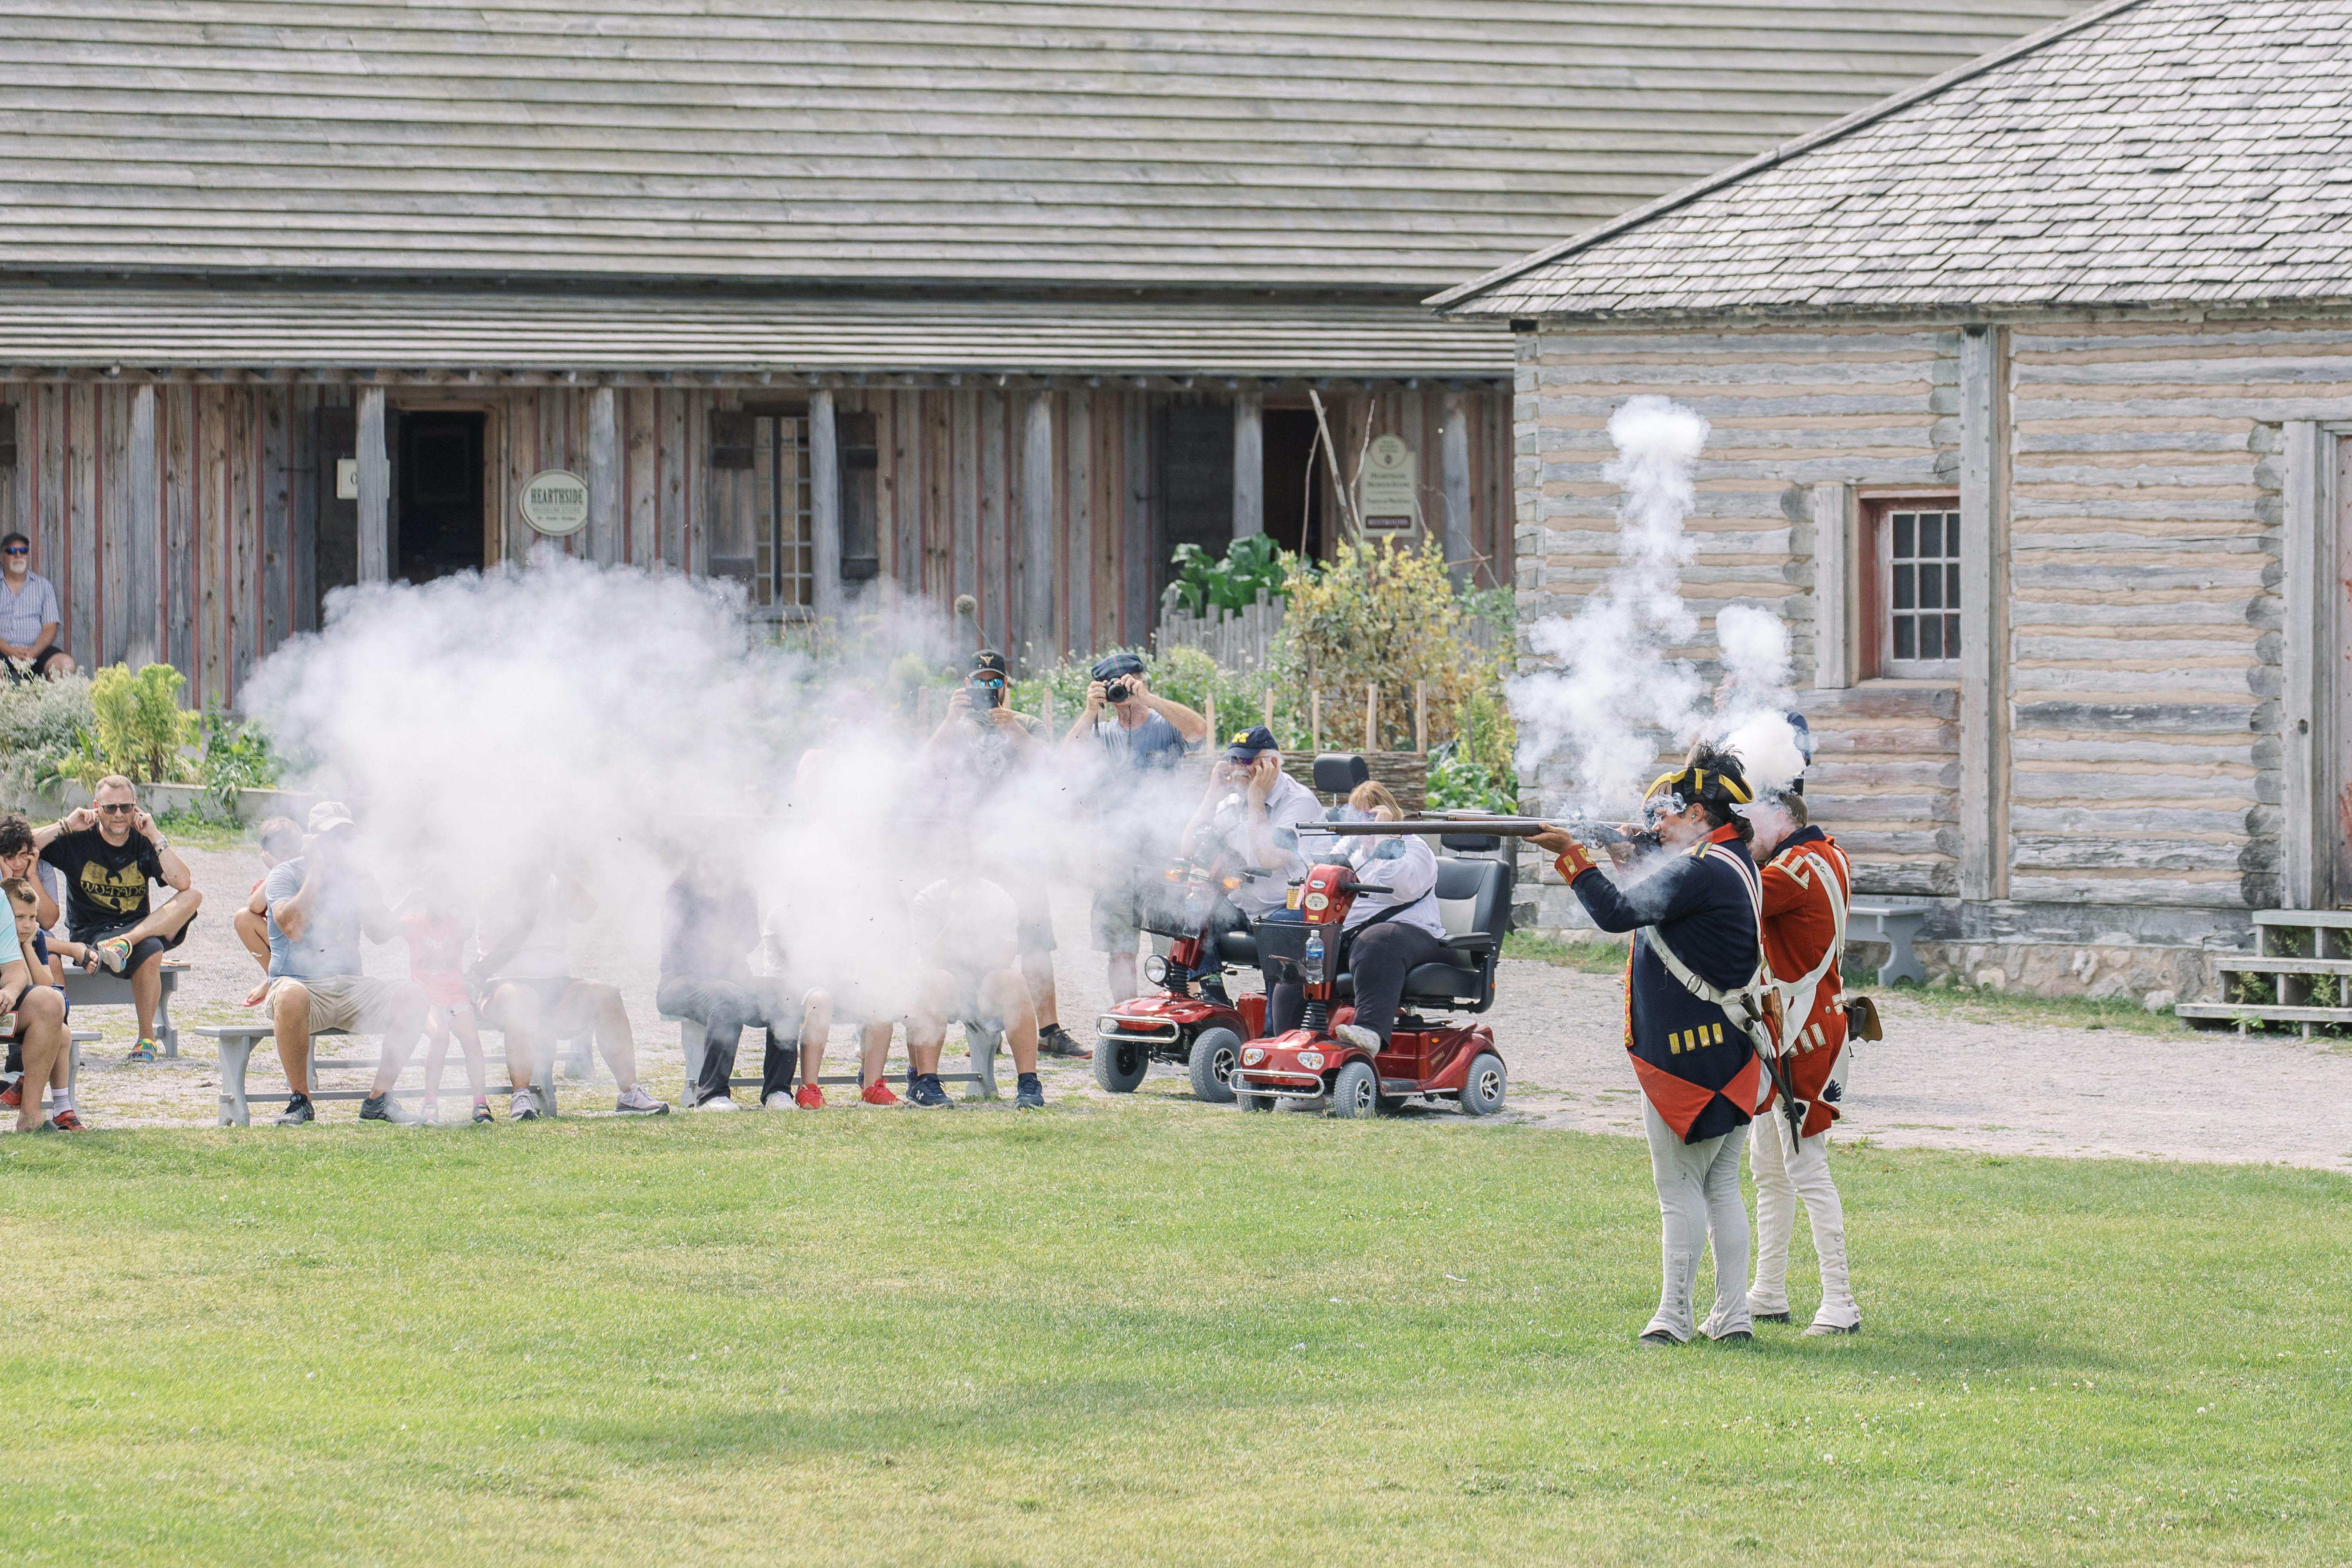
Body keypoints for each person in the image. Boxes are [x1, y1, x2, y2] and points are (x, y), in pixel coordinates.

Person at [1531, 744, 1772, 1349]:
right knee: (1719, 1186)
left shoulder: (1701, 868)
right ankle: (1733, 1315)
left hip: (1686, 1058)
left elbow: (1618, 912)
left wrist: (1570, 856)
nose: (1656, 824)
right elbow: (1660, 889)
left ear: (1696, 813)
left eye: (1666, 814)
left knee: (1679, 1189)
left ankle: (1673, 1316)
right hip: (1732, 1050)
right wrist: (1618, 847)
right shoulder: (1730, 860)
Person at [929, 650, 1086, 1060]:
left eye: (993, 680)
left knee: (1035, 939)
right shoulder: (957, 727)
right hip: (973, 849)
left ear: (1004, 685)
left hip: (1020, 846)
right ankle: (985, 1030)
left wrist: (1013, 729)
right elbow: (929, 766)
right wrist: (948, 720)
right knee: (977, 936)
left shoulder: (1027, 724)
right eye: (979, 681)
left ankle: (1048, 1029)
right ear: (967, 686)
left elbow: (1049, 770)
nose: (986, 688)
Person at [1746, 790, 1862, 1336]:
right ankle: (1768, 1290)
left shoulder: (1790, 871)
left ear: (1780, 819)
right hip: (1802, 1023)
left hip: (1802, 1032)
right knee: (1769, 1167)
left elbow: (1733, 897)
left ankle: (1839, 1303)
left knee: (1804, 1167)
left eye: (1751, 821)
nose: (1745, 832)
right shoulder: (1827, 853)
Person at [248, 801, 430, 1126]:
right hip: (298, 984)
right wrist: (316, 871)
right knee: (291, 995)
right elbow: (293, 927)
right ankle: (300, 1100)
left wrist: (375, 892)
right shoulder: (284, 874)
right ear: (311, 840)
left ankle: (379, 1100)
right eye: (332, 836)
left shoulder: (358, 876)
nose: (340, 845)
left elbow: (379, 932)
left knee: (414, 996)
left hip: (349, 985)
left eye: (346, 837)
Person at [1064, 650, 1208, 1003]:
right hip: (1115, 852)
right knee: (1119, 949)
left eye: (1128, 683)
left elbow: (1198, 731)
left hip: (1164, 847)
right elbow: (1066, 761)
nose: (1122, 693)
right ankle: (1126, 1016)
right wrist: (1088, 712)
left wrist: (1150, 699)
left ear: (1140, 680)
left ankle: (1178, 1014)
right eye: (1114, 686)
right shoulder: (1100, 731)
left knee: (1174, 942)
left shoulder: (1163, 723)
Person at [1262, 780, 1449, 1051]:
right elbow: (1325, 874)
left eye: (1369, 815)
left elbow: (1399, 885)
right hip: (1353, 937)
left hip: (1411, 934)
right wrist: (1313, 868)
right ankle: (1286, 1043)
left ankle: (1371, 1031)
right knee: (1300, 964)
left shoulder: (1413, 846)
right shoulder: (1351, 847)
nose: (1361, 823)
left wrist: (1383, 834)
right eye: (1356, 815)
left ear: (1387, 813)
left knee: (1378, 940)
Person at [475, 861, 668, 1119]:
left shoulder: (556, 882)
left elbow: (586, 912)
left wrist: (559, 868)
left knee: (607, 995)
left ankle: (629, 1093)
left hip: (557, 983)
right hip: (503, 983)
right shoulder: (496, 882)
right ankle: (521, 1096)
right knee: (524, 999)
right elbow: (489, 910)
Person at [36, 776, 204, 1063]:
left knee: (193, 896)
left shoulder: (142, 840)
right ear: (96, 807)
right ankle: (147, 1037)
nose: (118, 814)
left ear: (135, 807)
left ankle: (126, 943)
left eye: (125, 807)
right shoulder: (77, 839)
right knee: (152, 949)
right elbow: (12, 843)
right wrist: (65, 825)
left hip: (137, 930)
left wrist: (155, 835)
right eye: (110, 807)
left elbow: (183, 881)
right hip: (92, 934)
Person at [657, 852, 833, 1111]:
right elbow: (682, 941)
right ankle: (712, 1094)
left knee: (784, 994)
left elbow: (750, 938)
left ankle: (777, 1091)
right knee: (727, 996)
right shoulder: (681, 889)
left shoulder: (742, 890)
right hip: (679, 981)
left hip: (735, 979)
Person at [1177, 726, 1320, 997]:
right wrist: (1212, 795)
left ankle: (1271, 1029)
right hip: (1245, 910)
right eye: (1233, 760)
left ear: (1273, 764)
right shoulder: (1232, 801)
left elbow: (1269, 859)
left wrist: (1257, 799)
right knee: (1191, 910)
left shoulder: (1300, 803)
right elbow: (1189, 848)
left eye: (1247, 761)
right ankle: (1215, 1003)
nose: (1238, 768)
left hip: (1290, 909)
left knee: (1277, 929)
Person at [905, 854, 1045, 1110]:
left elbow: (1004, 958)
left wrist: (980, 917)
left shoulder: (999, 897)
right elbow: (931, 959)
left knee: (1013, 979)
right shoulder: (928, 899)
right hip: (941, 986)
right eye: (955, 863)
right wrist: (957, 917)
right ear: (944, 865)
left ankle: (1029, 1082)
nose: (963, 870)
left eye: (969, 862)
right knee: (935, 979)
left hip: (983, 985)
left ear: (979, 865)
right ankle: (925, 1083)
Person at [396, 876, 493, 1127]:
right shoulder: (415, 923)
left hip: (454, 997)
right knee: (440, 1037)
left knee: (472, 1040)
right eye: (432, 895)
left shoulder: (457, 924)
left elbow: (472, 923)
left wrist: (461, 898)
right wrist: (408, 899)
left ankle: (480, 1103)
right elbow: (384, 927)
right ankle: (430, 1103)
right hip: (425, 998)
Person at [1, 876, 79, 1128]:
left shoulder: (34, 939)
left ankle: (52, 1110)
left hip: (17, 1012)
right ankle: (58, 1104)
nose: (27, 924)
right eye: (19, 917)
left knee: (60, 1025)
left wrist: (26, 947)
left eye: (33, 918)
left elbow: (44, 984)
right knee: (60, 1030)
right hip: (13, 1011)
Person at [232, 818, 306, 975]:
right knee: (243, 917)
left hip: (307, 944)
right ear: (266, 854)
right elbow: (255, 906)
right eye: (281, 852)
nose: (288, 857)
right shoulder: (269, 881)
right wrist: (278, 871)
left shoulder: (308, 877)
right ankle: (272, 976)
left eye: (293, 851)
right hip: (283, 947)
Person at [0, 532, 75, 680]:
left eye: (23, 551)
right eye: (12, 551)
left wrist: (32, 654)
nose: (18, 556)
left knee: (66, 665)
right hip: (2, 651)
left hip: (35, 652)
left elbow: (50, 628)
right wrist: (10, 651)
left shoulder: (43, 586)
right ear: (2, 556)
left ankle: (46, 703)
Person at [0, 812, 63, 933]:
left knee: (50, 950)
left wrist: (33, 876)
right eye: (10, 857)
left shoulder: (42, 870)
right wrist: (8, 881)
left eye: (23, 854)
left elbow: (48, 922)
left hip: (37, 934)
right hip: (4, 939)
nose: (18, 864)